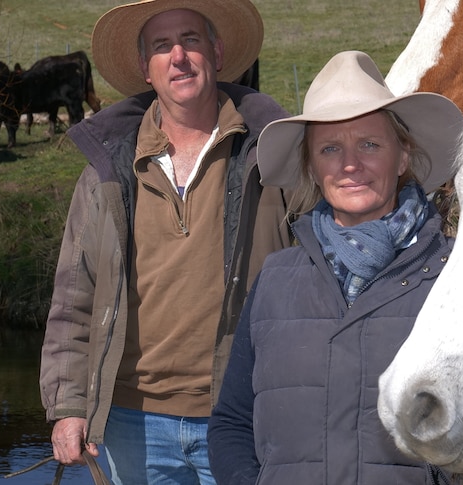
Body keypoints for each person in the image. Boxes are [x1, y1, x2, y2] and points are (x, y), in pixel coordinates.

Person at [207, 50, 463, 485]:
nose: (349, 164)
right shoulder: (275, 279)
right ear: (311, 167)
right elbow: (231, 423)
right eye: (329, 148)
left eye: (369, 144)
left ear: (402, 158)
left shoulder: (459, 277)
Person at [38, 0, 292, 483]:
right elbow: (74, 301)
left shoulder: (275, 156)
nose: (179, 56)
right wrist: (69, 405)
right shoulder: (105, 172)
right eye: (162, 45)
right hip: (132, 423)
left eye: (191, 39)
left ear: (215, 52)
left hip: (245, 417)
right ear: (145, 68)